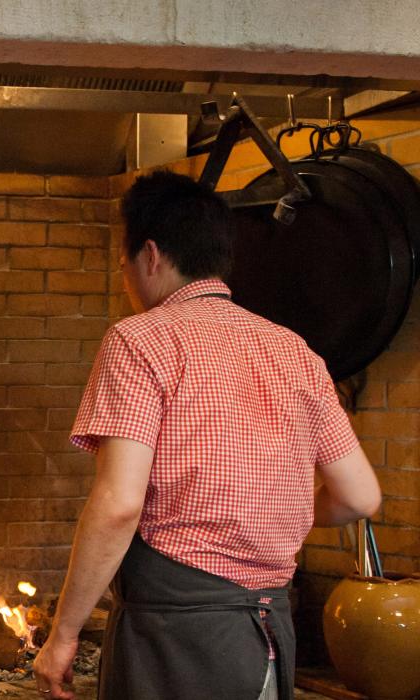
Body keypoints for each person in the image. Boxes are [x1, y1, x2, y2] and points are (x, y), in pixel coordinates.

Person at [32, 171, 382, 700]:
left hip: (174, 639)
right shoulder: (295, 351)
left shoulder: (140, 339)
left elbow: (119, 504)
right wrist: (267, 516)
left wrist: (64, 634)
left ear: (150, 255)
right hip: (267, 637)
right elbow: (360, 497)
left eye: (123, 264)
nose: (125, 279)